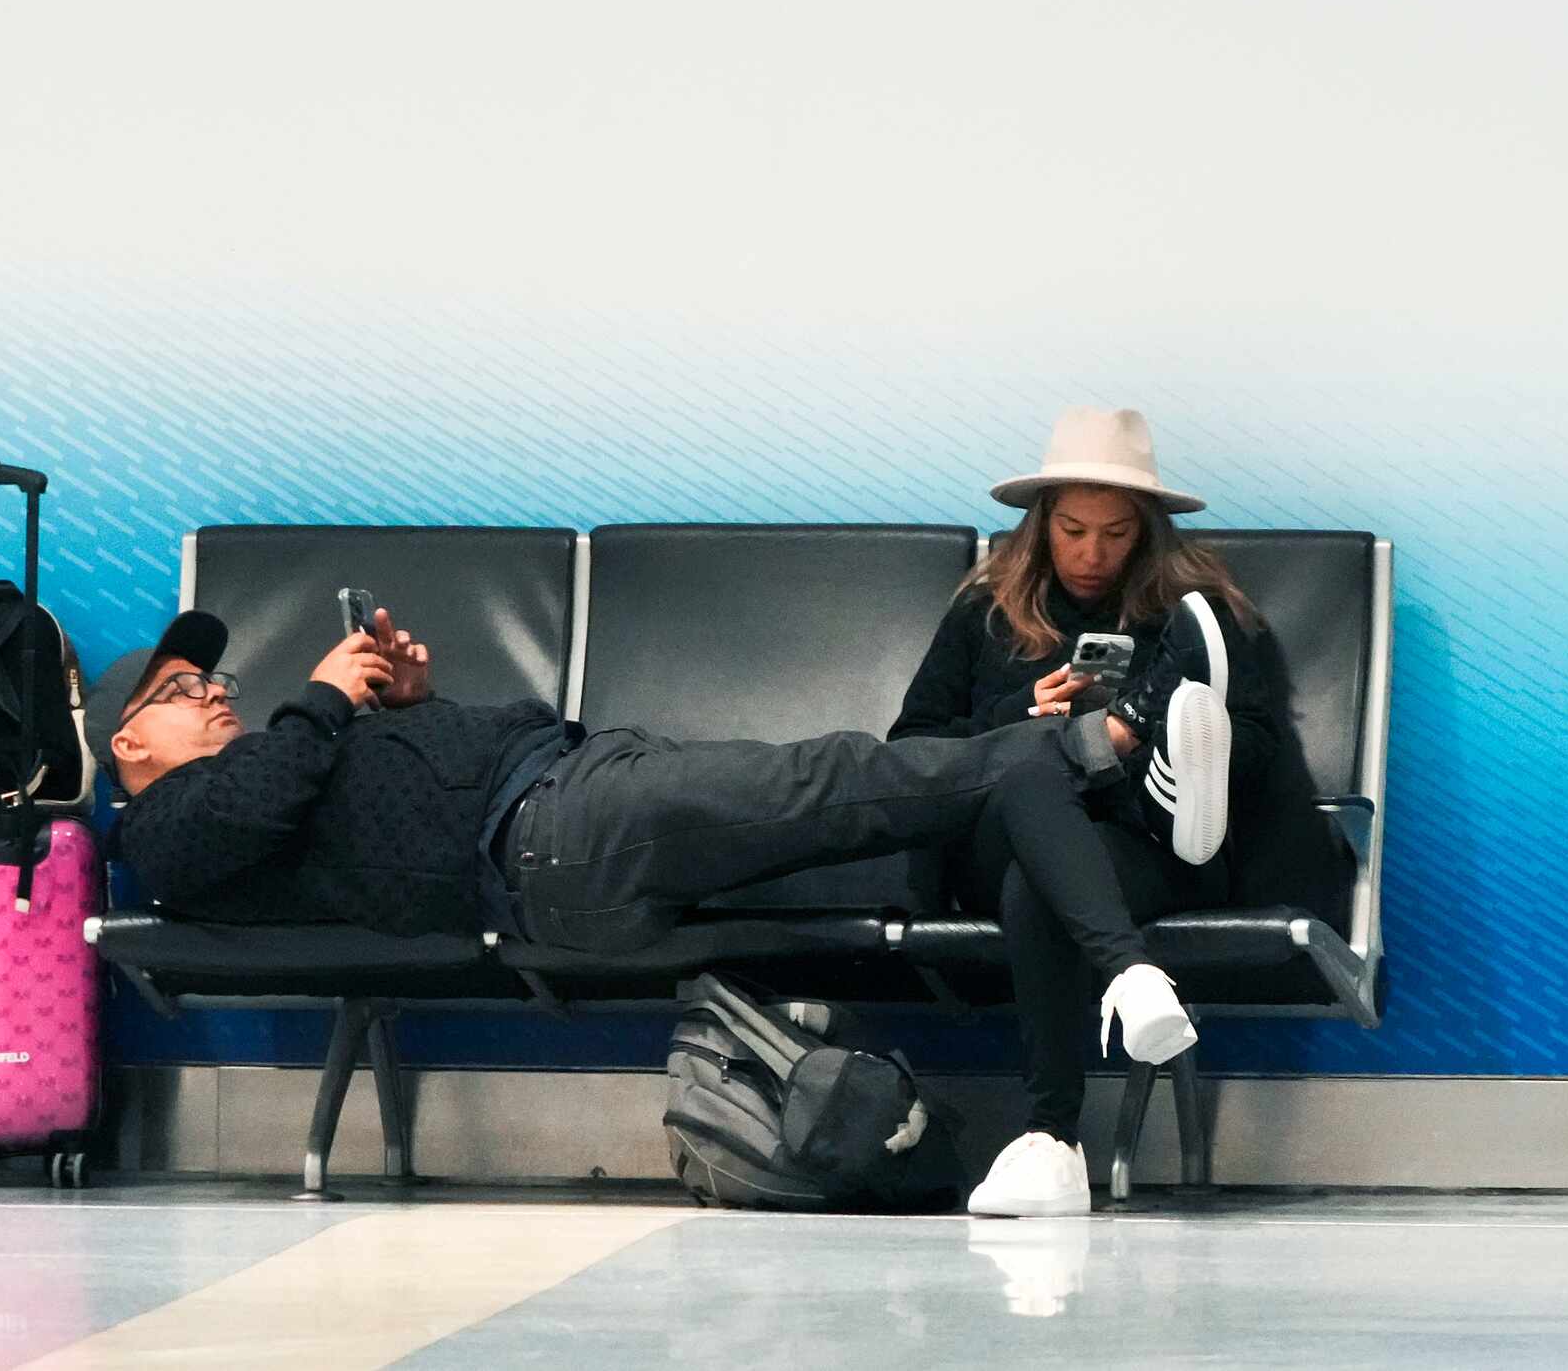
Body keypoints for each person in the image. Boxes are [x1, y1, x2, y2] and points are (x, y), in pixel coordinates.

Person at [85, 601, 1231, 1081]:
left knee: (849, 825)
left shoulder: (269, 763)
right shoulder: (171, 824)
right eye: (187, 690)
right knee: (828, 778)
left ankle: (1120, 793)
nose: (216, 694)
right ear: (129, 746)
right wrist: (326, 698)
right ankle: (1111, 740)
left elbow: (362, 809)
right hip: (560, 838)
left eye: (212, 678)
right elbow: (255, 806)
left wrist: (406, 707)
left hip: (572, 802)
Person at [892, 407, 1352, 1218]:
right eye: (1072, 530)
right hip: (991, 838)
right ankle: (1132, 966)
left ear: (1145, 534)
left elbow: (1259, 745)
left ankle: (1051, 1142)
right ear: (1040, 526)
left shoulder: (1195, 613)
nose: (1092, 554)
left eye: (1114, 534)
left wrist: (1145, 740)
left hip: (1136, 841)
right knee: (1035, 762)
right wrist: (1017, 718)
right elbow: (912, 749)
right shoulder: (984, 609)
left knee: (1046, 879)